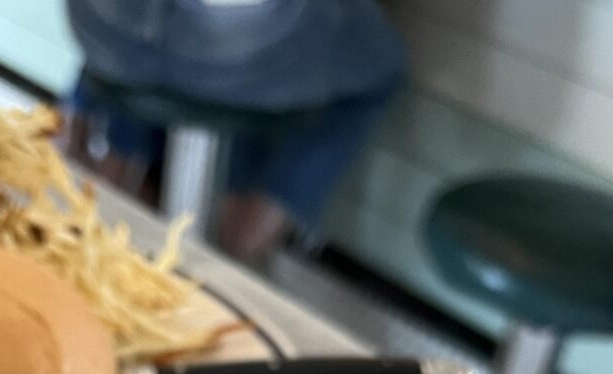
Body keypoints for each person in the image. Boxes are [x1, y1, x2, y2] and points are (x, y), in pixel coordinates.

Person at [64, 0, 405, 263]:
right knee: (380, 73)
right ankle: (237, 241)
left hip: (98, 25)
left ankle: (102, 168)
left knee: (131, 47)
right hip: (236, 48)